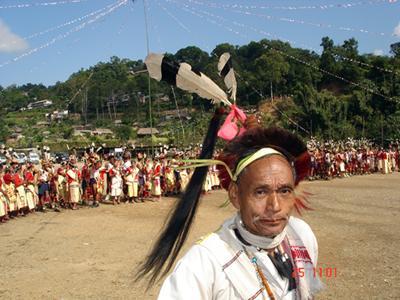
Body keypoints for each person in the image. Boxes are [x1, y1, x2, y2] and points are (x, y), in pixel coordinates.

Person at [137, 109, 322, 300]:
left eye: (284, 191)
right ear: (235, 194)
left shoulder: (302, 235)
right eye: (260, 192)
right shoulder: (204, 263)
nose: (275, 206)